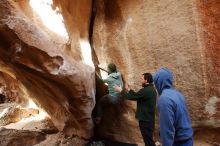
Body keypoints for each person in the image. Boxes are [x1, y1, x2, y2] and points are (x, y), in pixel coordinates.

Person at [153, 68, 193, 146]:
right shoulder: (178, 94)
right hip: (188, 139)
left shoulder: (164, 99)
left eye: (156, 83)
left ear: (159, 82)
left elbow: (167, 129)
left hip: (179, 142)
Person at [115, 73, 157, 146]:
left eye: (142, 79)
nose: (140, 80)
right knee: (148, 140)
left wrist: (121, 91)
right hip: (149, 120)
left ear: (146, 80)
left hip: (145, 121)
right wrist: (129, 90)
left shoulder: (146, 90)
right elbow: (137, 95)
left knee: (148, 141)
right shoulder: (151, 89)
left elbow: (132, 97)